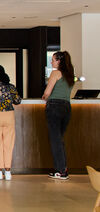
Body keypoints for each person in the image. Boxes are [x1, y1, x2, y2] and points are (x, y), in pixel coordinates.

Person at [42, 51, 75, 180]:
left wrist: (45, 96)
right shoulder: (70, 75)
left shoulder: (55, 73)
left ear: (59, 61)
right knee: (59, 139)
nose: (51, 62)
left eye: (53, 60)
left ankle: (61, 171)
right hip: (67, 107)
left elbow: (47, 92)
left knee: (55, 139)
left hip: (54, 106)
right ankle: (61, 168)